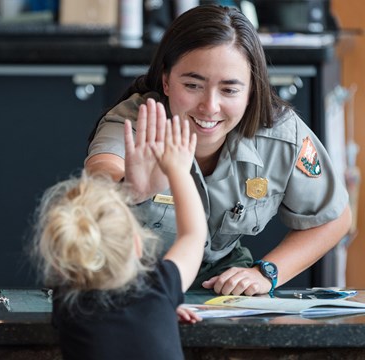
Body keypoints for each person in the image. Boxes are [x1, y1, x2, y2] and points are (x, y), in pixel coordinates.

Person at [86, 4, 351, 296]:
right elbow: (100, 173)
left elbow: (334, 218)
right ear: (166, 80)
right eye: (192, 85)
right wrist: (128, 191)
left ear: (251, 89)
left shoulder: (281, 134)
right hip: (130, 283)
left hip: (220, 288)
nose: (210, 107)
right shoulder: (138, 121)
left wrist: (267, 273)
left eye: (229, 90)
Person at [33, 103, 207, 360]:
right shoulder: (158, 286)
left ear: (60, 263)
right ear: (138, 245)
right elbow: (193, 235)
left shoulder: (67, 303)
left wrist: (162, 305)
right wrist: (178, 170)